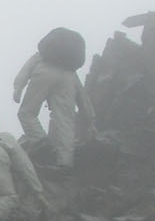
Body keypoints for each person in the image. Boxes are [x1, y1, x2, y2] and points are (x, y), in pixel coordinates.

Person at [12, 33, 96, 169]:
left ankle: (40, 142)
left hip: (42, 72)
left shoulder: (41, 56)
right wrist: (90, 117)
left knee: (27, 113)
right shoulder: (71, 70)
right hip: (66, 81)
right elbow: (82, 95)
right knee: (65, 121)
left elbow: (25, 71)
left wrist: (18, 89)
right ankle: (65, 161)